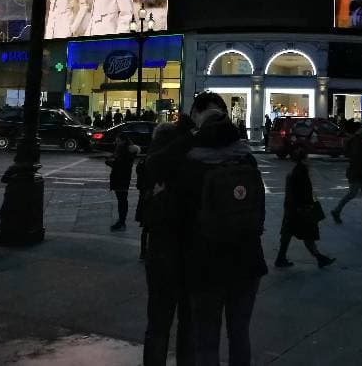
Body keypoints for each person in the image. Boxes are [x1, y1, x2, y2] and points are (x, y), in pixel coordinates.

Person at [181, 92, 267, 365]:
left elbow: (183, 215)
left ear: (198, 116)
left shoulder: (192, 160)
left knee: (206, 339)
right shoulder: (247, 159)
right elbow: (259, 211)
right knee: (240, 334)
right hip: (247, 260)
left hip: (206, 263)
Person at [141, 122, 191, 365]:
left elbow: (148, 215)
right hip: (189, 254)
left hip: (161, 254)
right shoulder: (190, 167)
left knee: (158, 324)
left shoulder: (153, 167)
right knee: (187, 324)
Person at [275, 147, 335, 268]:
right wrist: (308, 206)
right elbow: (304, 193)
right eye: (307, 157)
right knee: (308, 235)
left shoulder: (295, 171)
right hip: (301, 210)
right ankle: (319, 258)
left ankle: (281, 258)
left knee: (288, 233)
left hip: (292, 209)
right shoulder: (301, 173)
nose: (309, 159)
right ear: (303, 159)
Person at [330, 121, 362, 225]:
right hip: (359, 173)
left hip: (359, 172)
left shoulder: (358, 140)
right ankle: (337, 210)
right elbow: (358, 157)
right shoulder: (358, 141)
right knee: (355, 193)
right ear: (358, 130)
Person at [106, 134, 139, 231]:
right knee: (122, 200)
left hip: (121, 178)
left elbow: (120, 165)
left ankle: (121, 222)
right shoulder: (125, 150)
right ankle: (121, 221)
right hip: (122, 178)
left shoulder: (124, 151)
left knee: (122, 201)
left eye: (118, 140)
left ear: (124, 141)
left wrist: (110, 162)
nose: (116, 142)